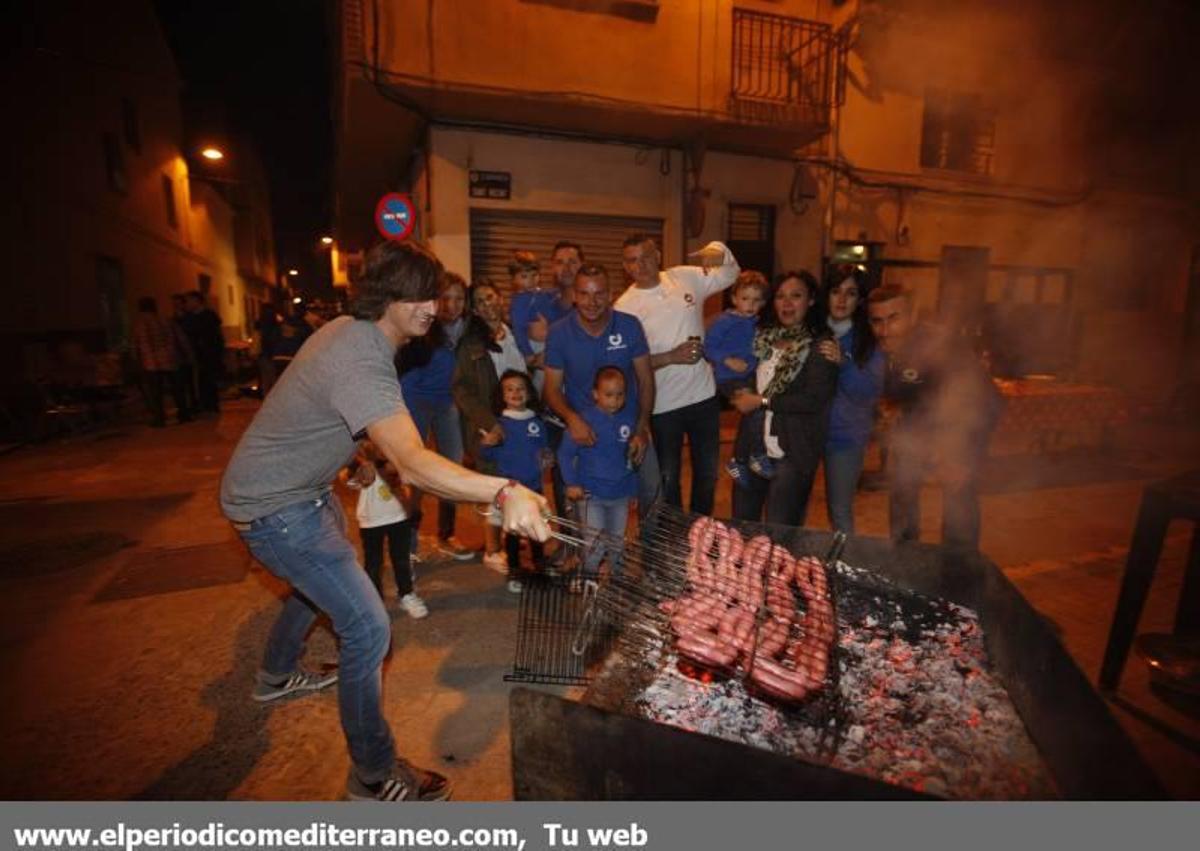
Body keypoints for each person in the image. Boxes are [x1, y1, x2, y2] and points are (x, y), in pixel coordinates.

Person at [219, 241, 549, 802]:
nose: (434, 305)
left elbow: (318, 412)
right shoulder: (361, 356)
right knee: (369, 629)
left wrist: (358, 457)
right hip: (275, 508)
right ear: (388, 297)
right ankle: (373, 777)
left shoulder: (353, 334)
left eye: (438, 294)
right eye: (420, 295)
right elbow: (416, 463)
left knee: (318, 585)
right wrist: (506, 489)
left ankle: (274, 676)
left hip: (297, 494)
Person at [867, 284, 1002, 550]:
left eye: (894, 318)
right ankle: (905, 560)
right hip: (917, 431)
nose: (884, 330)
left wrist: (963, 454)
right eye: (877, 321)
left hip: (960, 431)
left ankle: (959, 570)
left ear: (913, 314)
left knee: (958, 502)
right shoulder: (884, 350)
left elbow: (981, 400)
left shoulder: (940, 346)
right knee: (902, 490)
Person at [615, 234, 739, 517]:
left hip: (704, 397)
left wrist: (718, 250)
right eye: (633, 260)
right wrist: (671, 357)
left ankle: (701, 536)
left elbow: (730, 274)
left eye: (646, 256)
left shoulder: (684, 277)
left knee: (707, 477)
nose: (641, 265)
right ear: (625, 267)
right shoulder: (624, 307)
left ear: (658, 254)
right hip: (662, 405)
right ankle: (675, 539)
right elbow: (625, 365)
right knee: (669, 480)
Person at [543, 263, 658, 522]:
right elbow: (551, 388)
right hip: (584, 432)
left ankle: (646, 557)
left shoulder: (629, 326)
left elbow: (646, 380)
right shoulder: (559, 332)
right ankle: (577, 555)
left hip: (629, 428)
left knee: (651, 491)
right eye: (584, 293)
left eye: (599, 294)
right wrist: (572, 420)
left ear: (610, 295)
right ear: (574, 295)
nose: (591, 302)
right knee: (573, 497)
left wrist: (641, 427)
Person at [729, 271, 841, 526]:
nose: (787, 303)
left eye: (796, 296)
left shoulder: (820, 345)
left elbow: (814, 399)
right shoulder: (762, 337)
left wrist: (762, 402)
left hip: (792, 452)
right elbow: (743, 374)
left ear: (811, 300)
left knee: (780, 535)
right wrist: (736, 387)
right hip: (751, 446)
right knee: (742, 526)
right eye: (780, 296)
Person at [452, 280, 529, 572]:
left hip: (517, 421)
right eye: (480, 303)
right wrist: (489, 425)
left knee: (516, 482)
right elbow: (462, 391)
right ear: (473, 310)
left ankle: (509, 537)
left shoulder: (511, 333)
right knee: (496, 488)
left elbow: (523, 371)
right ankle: (492, 549)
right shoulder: (471, 343)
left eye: (490, 298)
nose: (487, 306)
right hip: (491, 425)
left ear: (500, 298)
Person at [397, 273, 473, 561]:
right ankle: (410, 538)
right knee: (414, 470)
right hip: (416, 400)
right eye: (446, 298)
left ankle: (446, 534)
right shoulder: (423, 325)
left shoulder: (469, 329)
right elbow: (406, 366)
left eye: (459, 298)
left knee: (450, 469)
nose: (452, 305)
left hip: (448, 403)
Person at [818, 269, 885, 535]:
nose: (842, 299)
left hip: (845, 439)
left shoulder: (867, 342)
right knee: (791, 506)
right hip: (805, 434)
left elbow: (868, 392)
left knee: (840, 510)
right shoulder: (811, 332)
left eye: (851, 293)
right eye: (836, 291)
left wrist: (843, 364)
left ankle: (843, 568)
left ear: (860, 300)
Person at [557, 366, 638, 583]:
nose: (615, 400)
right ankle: (587, 581)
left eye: (620, 394)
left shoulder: (628, 421)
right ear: (595, 394)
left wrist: (633, 491)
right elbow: (564, 454)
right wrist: (571, 483)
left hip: (620, 495)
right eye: (608, 394)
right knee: (595, 544)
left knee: (617, 544)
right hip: (591, 495)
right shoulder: (583, 421)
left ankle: (614, 587)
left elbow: (630, 459)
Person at [480, 370, 548, 593]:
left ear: (528, 393)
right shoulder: (500, 425)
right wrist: (488, 444)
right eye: (509, 389)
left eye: (520, 388)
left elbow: (544, 450)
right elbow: (487, 455)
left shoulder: (537, 422)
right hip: (511, 488)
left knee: (536, 530)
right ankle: (515, 570)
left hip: (534, 487)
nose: (515, 393)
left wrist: (547, 459)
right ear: (502, 395)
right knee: (512, 532)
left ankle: (539, 568)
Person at [345, 441, 426, 619]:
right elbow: (351, 482)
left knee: (401, 559)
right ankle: (375, 603)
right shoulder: (362, 463)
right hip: (371, 522)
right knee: (374, 564)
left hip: (399, 517)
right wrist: (361, 472)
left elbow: (413, 482)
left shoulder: (397, 461)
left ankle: (406, 594)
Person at [131, 296, 190, 427]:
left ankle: (159, 418)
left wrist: (135, 360)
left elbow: (136, 344)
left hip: (151, 362)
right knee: (177, 389)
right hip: (171, 359)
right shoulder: (166, 319)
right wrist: (187, 354)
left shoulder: (139, 323)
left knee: (155, 392)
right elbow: (181, 338)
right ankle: (184, 414)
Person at [506, 251, 550, 392]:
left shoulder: (540, 294)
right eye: (524, 276)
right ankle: (535, 400)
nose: (530, 280)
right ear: (514, 279)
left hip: (547, 340)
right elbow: (519, 329)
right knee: (541, 379)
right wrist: (527, 352)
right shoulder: (519, 301)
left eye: (534, 275)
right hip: (533, 345)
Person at [180, 291, 225, 414]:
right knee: (198, 381)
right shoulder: (187, 318)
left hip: (209, 354)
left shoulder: (210, 316)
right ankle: (201, 405)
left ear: (197, 301)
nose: (187, 304)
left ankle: (211, 405)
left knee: (209, 380)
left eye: (189, 301)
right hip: (194, 355)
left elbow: (217, 336)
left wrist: (218, 353)